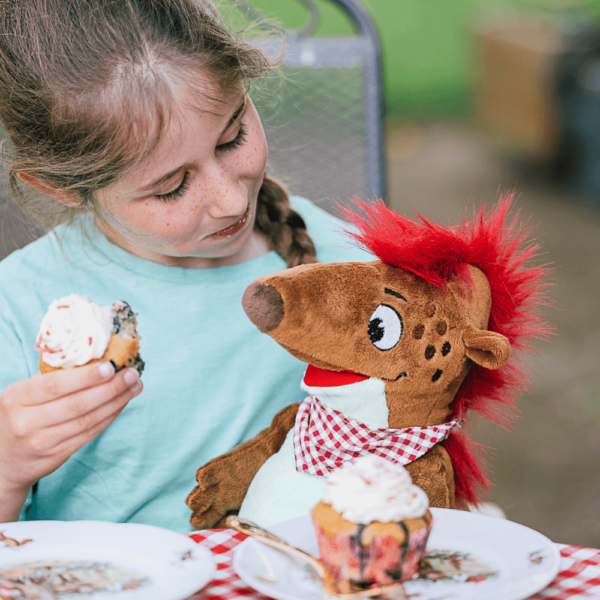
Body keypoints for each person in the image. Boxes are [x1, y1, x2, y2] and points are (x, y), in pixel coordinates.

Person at [0, 0, 372, 530]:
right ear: (60, 188)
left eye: (233, 138)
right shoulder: (15, 307)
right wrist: (8, 468)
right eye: (171, 187)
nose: (230, 202)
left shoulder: (349, 266)